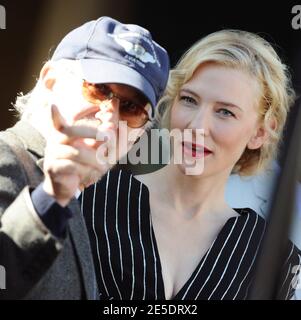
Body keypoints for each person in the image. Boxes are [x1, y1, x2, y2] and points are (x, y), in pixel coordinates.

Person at [81, 29, 301, 300]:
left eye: (225, 112)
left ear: (260, 133)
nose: (197, 126)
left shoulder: (274, 257)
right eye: (189, 100)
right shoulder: (89, 198)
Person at [0, 16, 169, 299]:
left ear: (139, 134)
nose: (110, 117)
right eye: (99, 89)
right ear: (50, 81)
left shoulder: (87, 204)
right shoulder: (7, 156)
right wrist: (48, 199)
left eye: (131, 108)